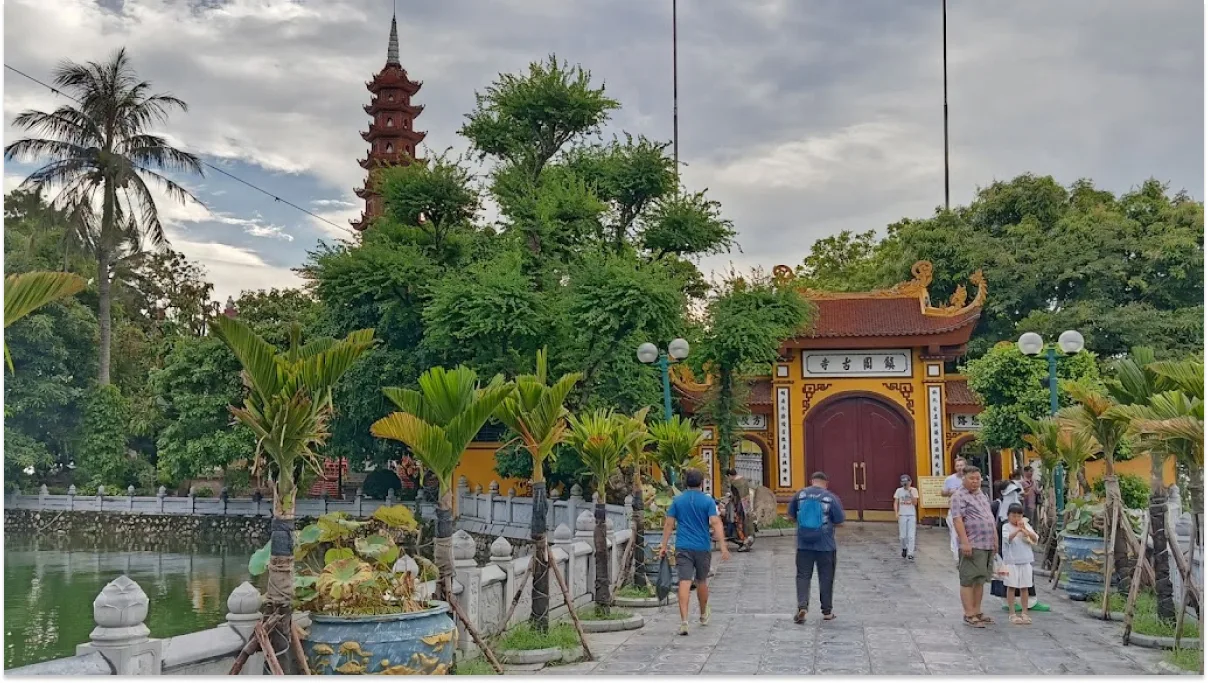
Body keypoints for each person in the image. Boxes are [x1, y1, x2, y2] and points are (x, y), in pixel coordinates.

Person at [657, 468, 730, 636]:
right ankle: (703, 615)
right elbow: (715, 523)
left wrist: (663, 545)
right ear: (701, 483)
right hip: (702, 547)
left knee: (684, 581)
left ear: (685, 482)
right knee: (702, 580)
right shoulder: (707, 501)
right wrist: (723, 546)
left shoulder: (678, 500)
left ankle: (684, 621)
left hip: (683, 546)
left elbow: (669, 524)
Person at [787, 471, 845, 624]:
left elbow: (791, 516)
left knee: (803, 576)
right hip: (825, 545)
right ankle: (827, 612)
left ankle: (802, 606)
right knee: (826, 577)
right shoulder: (830, 497)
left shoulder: (800, 495)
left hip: (803, 544)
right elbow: (839, 520)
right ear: (826, 483)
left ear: (811, 481)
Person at [950, 465, 999, 628]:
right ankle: (969, 613)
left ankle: (978, 611)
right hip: (973, 542)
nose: (975, 482)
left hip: (987, 543)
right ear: (963, 478)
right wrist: (964, 542)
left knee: (980, 579)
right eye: (972, 478)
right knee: (969, 579)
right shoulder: (958, 496)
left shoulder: (981, 494)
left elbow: (989, 517)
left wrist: (995, 539)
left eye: (978, 479)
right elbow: (958, 519)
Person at [1001, 502, 1039, 625]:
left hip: (1025, 560)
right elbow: (1008, 538)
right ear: (1008, 516)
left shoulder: (1026, 526)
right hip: (1011, 561)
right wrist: (1018, 530)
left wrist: (1026, 531)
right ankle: (1012, 613)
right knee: (1011, 587)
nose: (1016, 518)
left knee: (1025, 587)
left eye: (1019, 516)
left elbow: (1035, 538)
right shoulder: (1006, 527)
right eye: (1013, 516)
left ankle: (1024, 612)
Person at [941, 456, 968, 563]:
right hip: (954, 510)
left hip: (967, 510)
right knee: (955, 534)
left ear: (965, 466)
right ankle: (957, 556)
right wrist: (950, 492)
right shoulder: (950, 479)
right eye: (957, 465)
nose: (960, 467)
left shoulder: (969, 478)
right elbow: (942, 493)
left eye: (961, 465)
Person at [726, 468, 755, 551]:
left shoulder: (734, 483)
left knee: (739, 524)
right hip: (747, 504)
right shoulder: (743, 479)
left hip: (739, 506)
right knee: (747, 523)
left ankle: (745, 543)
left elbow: (735, 495)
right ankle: (749, 539)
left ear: (729, 475)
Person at [893, 474, 920, 560]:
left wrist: (910, 492)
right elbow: (896, 502)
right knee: (902, 536)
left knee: (911, 535)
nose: (905, 484)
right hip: (902, 515)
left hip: (911, 514)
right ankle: (904, 547)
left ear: (910, 482)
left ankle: (910, 552)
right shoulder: (899, 491)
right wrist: (896, 513)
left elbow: (915, 503)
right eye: (904, 482)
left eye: (907, 482)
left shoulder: (914, 490)